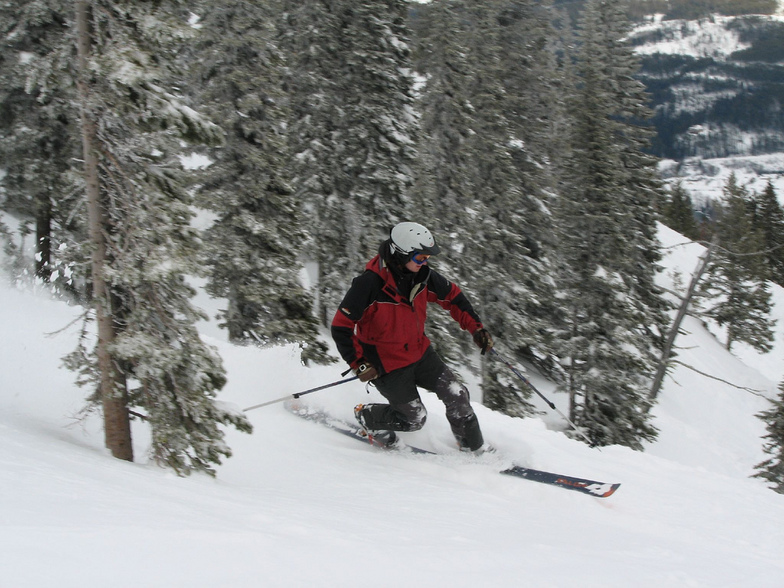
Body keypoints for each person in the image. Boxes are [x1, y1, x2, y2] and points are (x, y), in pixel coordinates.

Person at [331, 221, 494, 452]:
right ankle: (367, 416)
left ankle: (474, 449)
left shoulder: (422, 277)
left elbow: (454, 297)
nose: (425, 262)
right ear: (400, 254)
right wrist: (359, 364)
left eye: (427, 257)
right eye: (420, 258)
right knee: (414, 419)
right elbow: (341, 327)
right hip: (386, 364)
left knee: (457, 394)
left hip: (420, 353)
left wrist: (476, 328)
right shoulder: (369, 284)